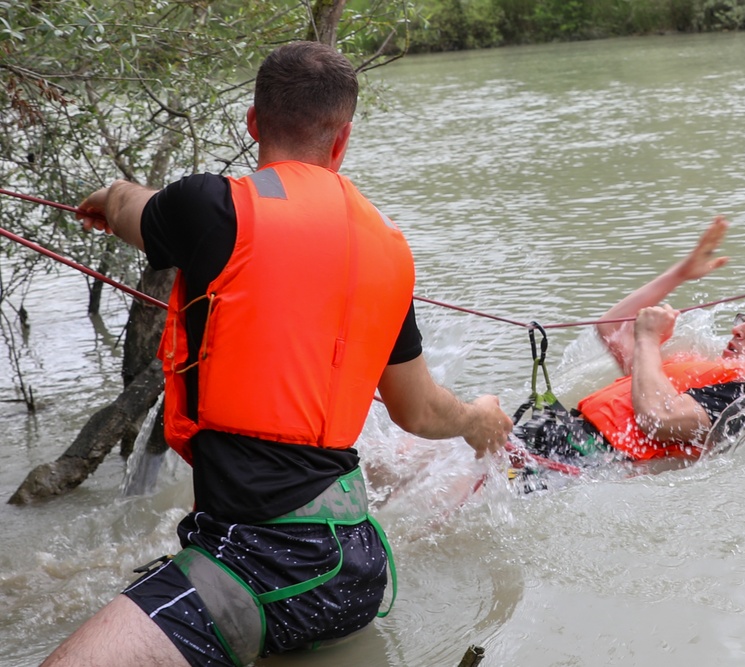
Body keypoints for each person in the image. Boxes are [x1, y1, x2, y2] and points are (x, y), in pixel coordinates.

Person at [49, 41, 512, 667]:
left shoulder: (210, 208)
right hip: (352, 567)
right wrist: (481, 417)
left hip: (267, 561)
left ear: (253, 122)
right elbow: (421, 412)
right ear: (342, 138)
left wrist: (107, 194)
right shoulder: (390, 250)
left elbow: (132, 209)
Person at [512, 216, 745, 468]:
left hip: (577, 461)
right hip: (546, 438)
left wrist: (648, 339)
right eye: (742, 320)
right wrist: (680, 274)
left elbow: (658, 418)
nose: (738, 330)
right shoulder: (693, 371)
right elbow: (611, 327)